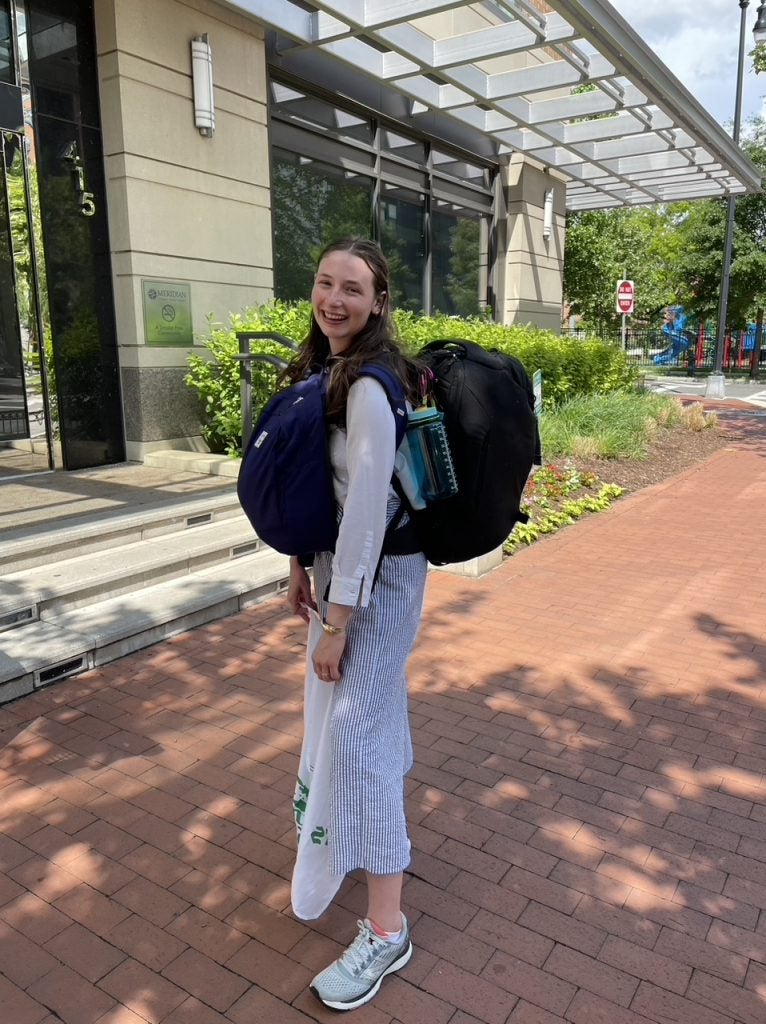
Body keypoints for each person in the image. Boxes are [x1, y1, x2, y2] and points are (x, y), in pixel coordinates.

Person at [285, 237, 427, 1012]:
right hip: (342, 576)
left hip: (378, 583)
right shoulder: (327, 371)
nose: (333, 299)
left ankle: (387, 927)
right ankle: (376, 855)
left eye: (352, 289)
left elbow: (369, 509)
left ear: (378, 304)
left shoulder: (371, 384)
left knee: (355, 738)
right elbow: (326, 489)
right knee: (371, 725)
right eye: (324, 283)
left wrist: (338, 622)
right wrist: (298, 563)